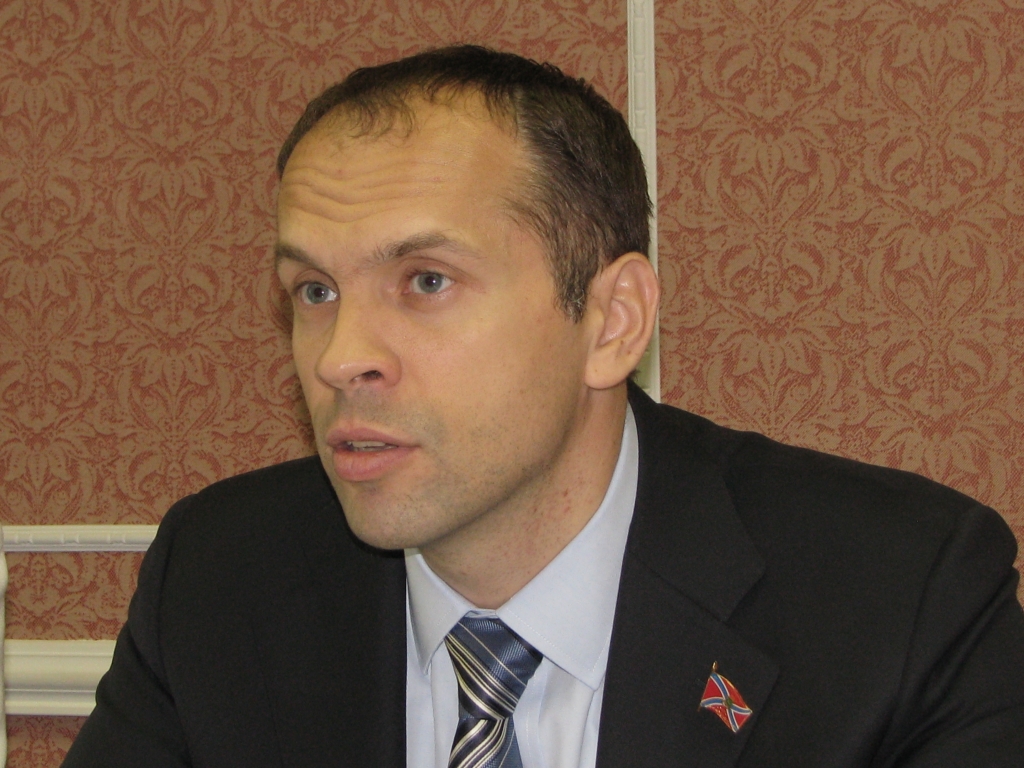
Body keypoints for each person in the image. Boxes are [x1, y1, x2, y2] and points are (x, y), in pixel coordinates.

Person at [63, 46, 1024, 768]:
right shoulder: (220, 583)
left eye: (426, 281)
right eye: (315, 291)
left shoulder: (899, 599)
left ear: (612, 321)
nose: (341, 357)